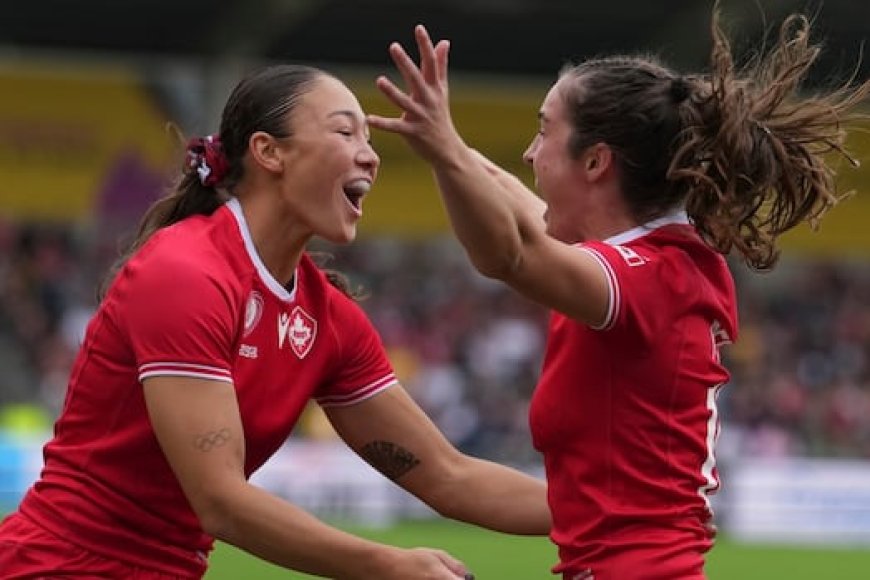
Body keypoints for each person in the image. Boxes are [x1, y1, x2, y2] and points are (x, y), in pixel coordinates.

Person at [368, 7, 870, 579]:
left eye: (543, 131)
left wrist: (444, 152)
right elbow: (517, 209)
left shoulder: (648, 276)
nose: (529, 154)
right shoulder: (650, 262)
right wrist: (447, 143)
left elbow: (509, 255)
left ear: (595, 161)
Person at [0, 64, 552, 579]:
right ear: (268, 151)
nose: (370, 156)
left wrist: (601, 508)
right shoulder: (185, 272)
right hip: (54, 565)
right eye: (345, 133)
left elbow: (448, 476)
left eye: (369, 140)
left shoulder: (329, 318)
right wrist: (386, 564)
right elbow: (220, 502)